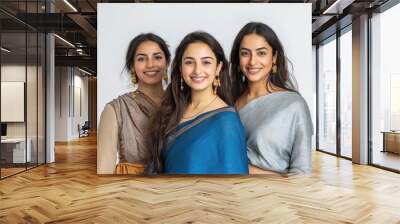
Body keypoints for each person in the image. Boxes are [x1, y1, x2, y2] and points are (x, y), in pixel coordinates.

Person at [145, 31, 248, 174]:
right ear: (180, 68)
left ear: (218, 68)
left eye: (206, 62)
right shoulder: (172, 111)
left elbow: (234, 186)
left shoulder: (226, 122)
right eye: (189, 62)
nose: (197, 70)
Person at [230, 22, 313, 174]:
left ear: (274, 57)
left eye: (261, 53)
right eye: (245, 53)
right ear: (238, 59)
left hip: (272, 193)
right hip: (227, 192)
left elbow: (302, 172)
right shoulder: (229, 103)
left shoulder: (293, 105)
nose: (252, 61)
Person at [97, 33, 170, 174]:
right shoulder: (116, 109)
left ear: (167, 63)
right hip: (133, 189)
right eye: (142, 58)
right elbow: (103, 170)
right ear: (132, 66)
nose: (150, 64)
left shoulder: (183, 104)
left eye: (157, 57)